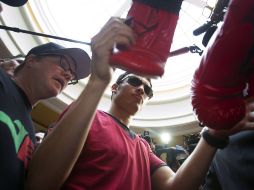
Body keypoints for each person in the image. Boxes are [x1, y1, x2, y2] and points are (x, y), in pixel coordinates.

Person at [25, 16, 254, 190]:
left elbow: (175, 187)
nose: (141, 89)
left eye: (148, 90)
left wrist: (213, 134)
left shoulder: (143, 147)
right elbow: (39, 182)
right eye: (134, 81)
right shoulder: (88, 115)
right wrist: (98, 81)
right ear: (115, 88)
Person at [0, 41, 91, 189]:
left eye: (72, 76)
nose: (68, 75)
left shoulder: (29, 131)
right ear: (31, 60)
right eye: (63, 64)